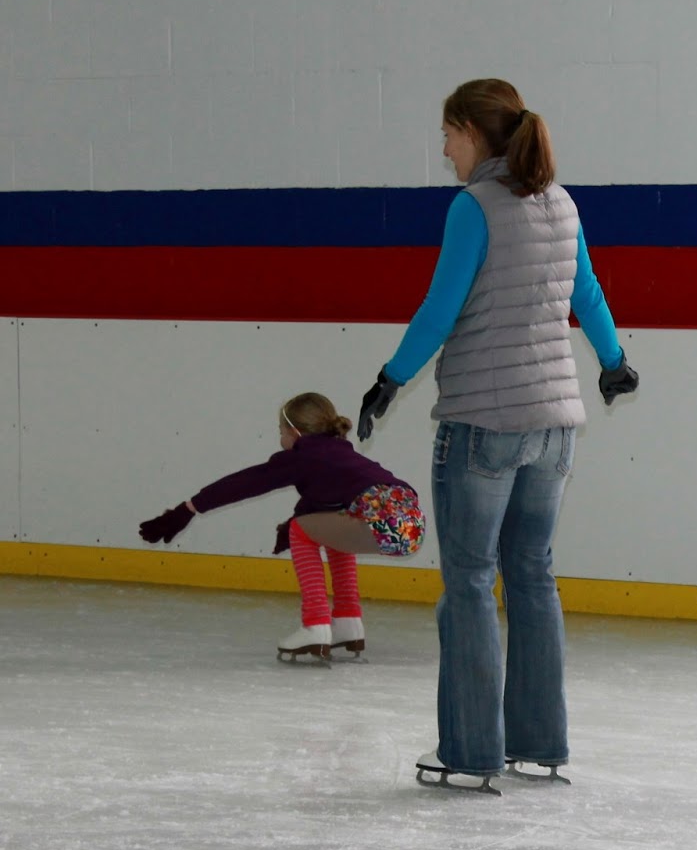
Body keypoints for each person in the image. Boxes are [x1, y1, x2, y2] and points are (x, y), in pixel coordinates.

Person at [354, 77, 637, 794]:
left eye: (448, 133)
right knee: (534, 577)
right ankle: (540, 742)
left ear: (474, 134)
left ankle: (472, 749)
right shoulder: (560, 201)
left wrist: (389, 378)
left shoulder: (473, 205)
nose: (443, 147)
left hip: (482, 423)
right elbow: (589, 292)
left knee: (472, 584)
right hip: (554, 426)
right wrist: (613, 362)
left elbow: (439, 309)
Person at [138, 393, 424, 663]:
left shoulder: (303, 455)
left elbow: (245, 482)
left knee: (300, 529)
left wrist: (187, 508)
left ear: (295, 433)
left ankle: (315, 626)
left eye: (281, 431)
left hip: (382, 523)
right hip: (411, 526)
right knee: (327, 527)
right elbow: (325, 502)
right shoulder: (338, 454)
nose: (280, 437)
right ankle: (348, 621)